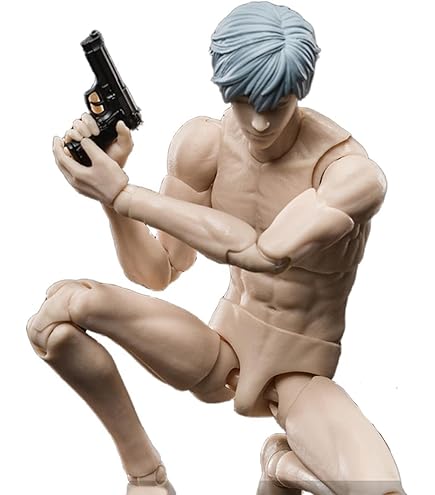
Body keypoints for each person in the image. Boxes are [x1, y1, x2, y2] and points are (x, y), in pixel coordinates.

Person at [27, 2, 406, 494]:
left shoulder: (348, 174)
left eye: (277, 103)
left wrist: (124, 194)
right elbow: (156, 269)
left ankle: (279, 468)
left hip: (299, 374)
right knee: (54, 319)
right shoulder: (204, 145)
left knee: (381, 491)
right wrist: (111, 196)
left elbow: (263, 253)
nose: (260, 122)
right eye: (245, 101)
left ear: (301, 90)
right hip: (220, 351)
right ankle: (146, 475)